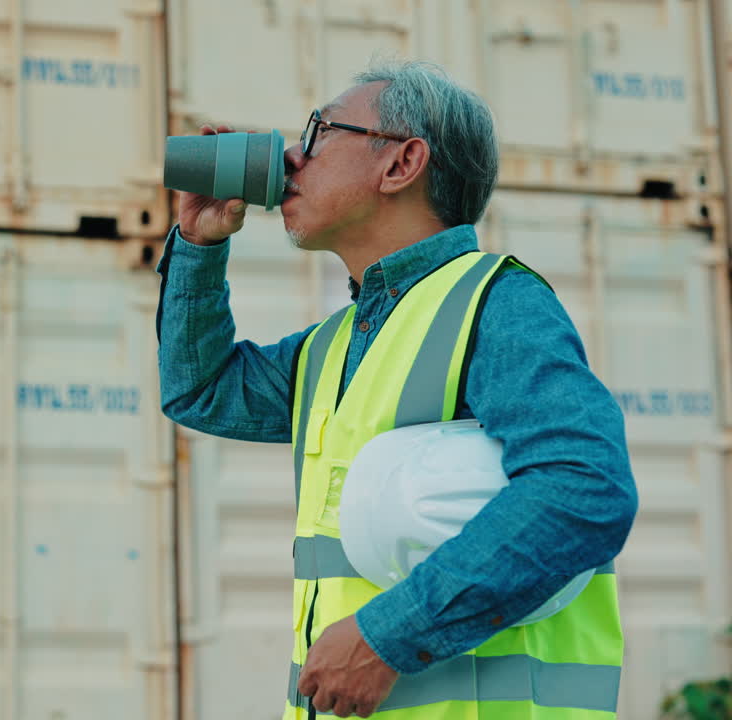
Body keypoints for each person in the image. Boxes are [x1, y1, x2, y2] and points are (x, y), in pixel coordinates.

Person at [155, 61, 637, 719]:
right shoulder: (332, 347)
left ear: (402, 164)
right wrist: (198, 243)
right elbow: (200, 390)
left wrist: (388, 636)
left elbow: (586, 489)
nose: (291, 157)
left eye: (320, 133)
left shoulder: (498, 305)